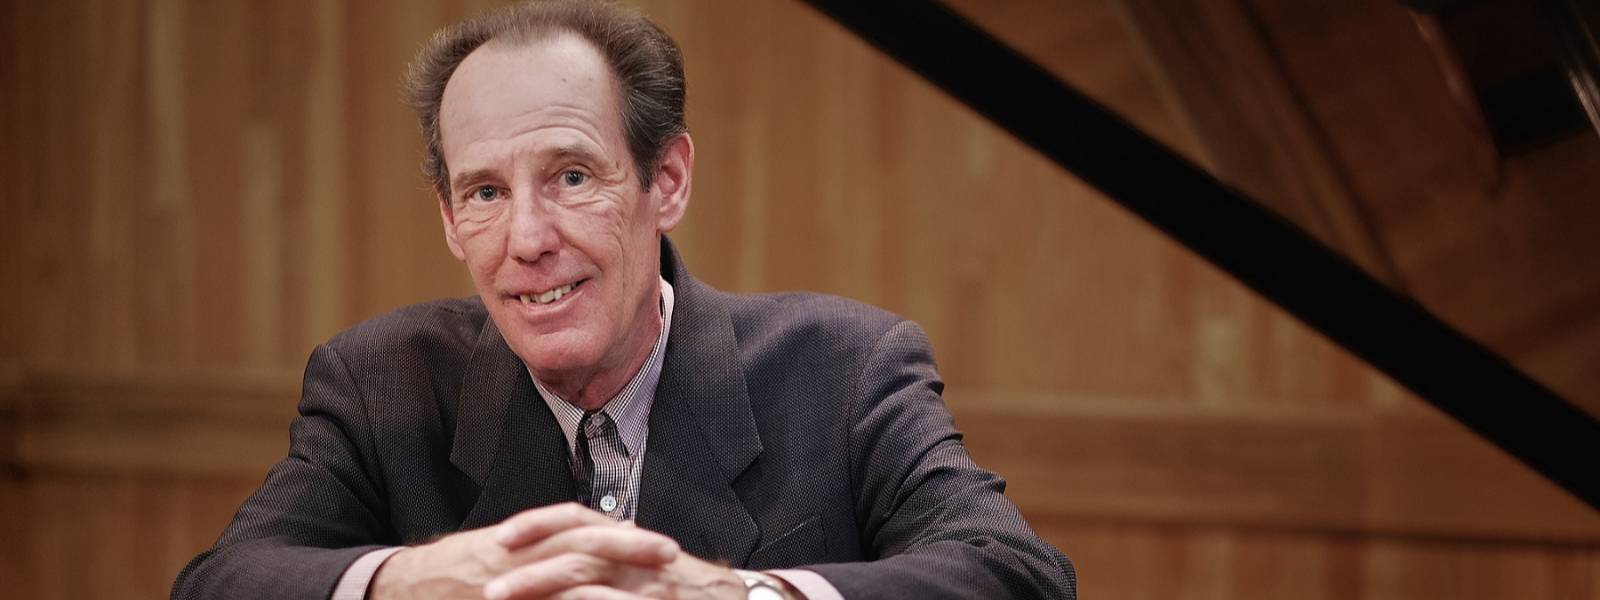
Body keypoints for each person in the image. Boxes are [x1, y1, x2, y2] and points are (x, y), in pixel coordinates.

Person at [171, 1, 1075, 598]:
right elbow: (223, 581)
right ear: (449, 218)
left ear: (666, 180)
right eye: (484, 193)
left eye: (570, 176)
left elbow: (1019, 574)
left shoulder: (845, 370)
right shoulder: (379, 385)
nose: (526, 239)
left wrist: (738, 598)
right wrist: (405, 583)